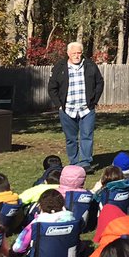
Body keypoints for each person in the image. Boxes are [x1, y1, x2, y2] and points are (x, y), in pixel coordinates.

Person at [47, 41, 104, 169]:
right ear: (68, 53)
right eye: (74, 53)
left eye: (79, 53)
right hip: (67, 110)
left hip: (86, 109)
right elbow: (52, 88)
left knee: (87, 136)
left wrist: (93, 101)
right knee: (71, 139)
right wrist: (59, 105)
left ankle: (85, 163)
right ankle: (73, 162)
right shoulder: (59, 67)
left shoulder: (90, 65)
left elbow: (99, 82)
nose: (77, 56)